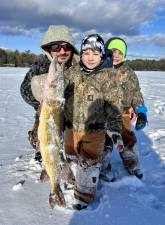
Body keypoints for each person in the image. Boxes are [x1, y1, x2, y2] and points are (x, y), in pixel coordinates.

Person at [31, 33, 124, 210]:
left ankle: (85, 194)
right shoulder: (73, 72)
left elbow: (114, 108)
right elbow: (56, 87)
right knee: (72, 159)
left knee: (89, 165)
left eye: (95, 54)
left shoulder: (108, 78)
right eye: (87, 53)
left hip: (93, 131)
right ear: (81, 53)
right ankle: (69, 179)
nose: (90, 57)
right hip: (71, 130)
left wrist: (115, 130)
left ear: (102, 55)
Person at [20, 25, 79, 164]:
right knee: (39, 141)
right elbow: (24, 91)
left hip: (74, 117)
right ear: (48, 49)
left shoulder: (81, 67)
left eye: (66, 46)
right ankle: (45, 152)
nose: (62, 51)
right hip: (48, 116)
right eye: (56, 47)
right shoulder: (40, 67)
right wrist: (42, 97)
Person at [103, 37, 148, 179]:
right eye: (113, 51)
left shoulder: (129, 73)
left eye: (120, 53)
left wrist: (141, 111)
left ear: (124, 55)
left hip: (122, 113)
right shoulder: (101, 70)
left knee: (127, 137)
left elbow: (135, 92)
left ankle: (131, 162)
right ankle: (104, 166)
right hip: (103, 113)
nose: (116, 55)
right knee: (104, 141)